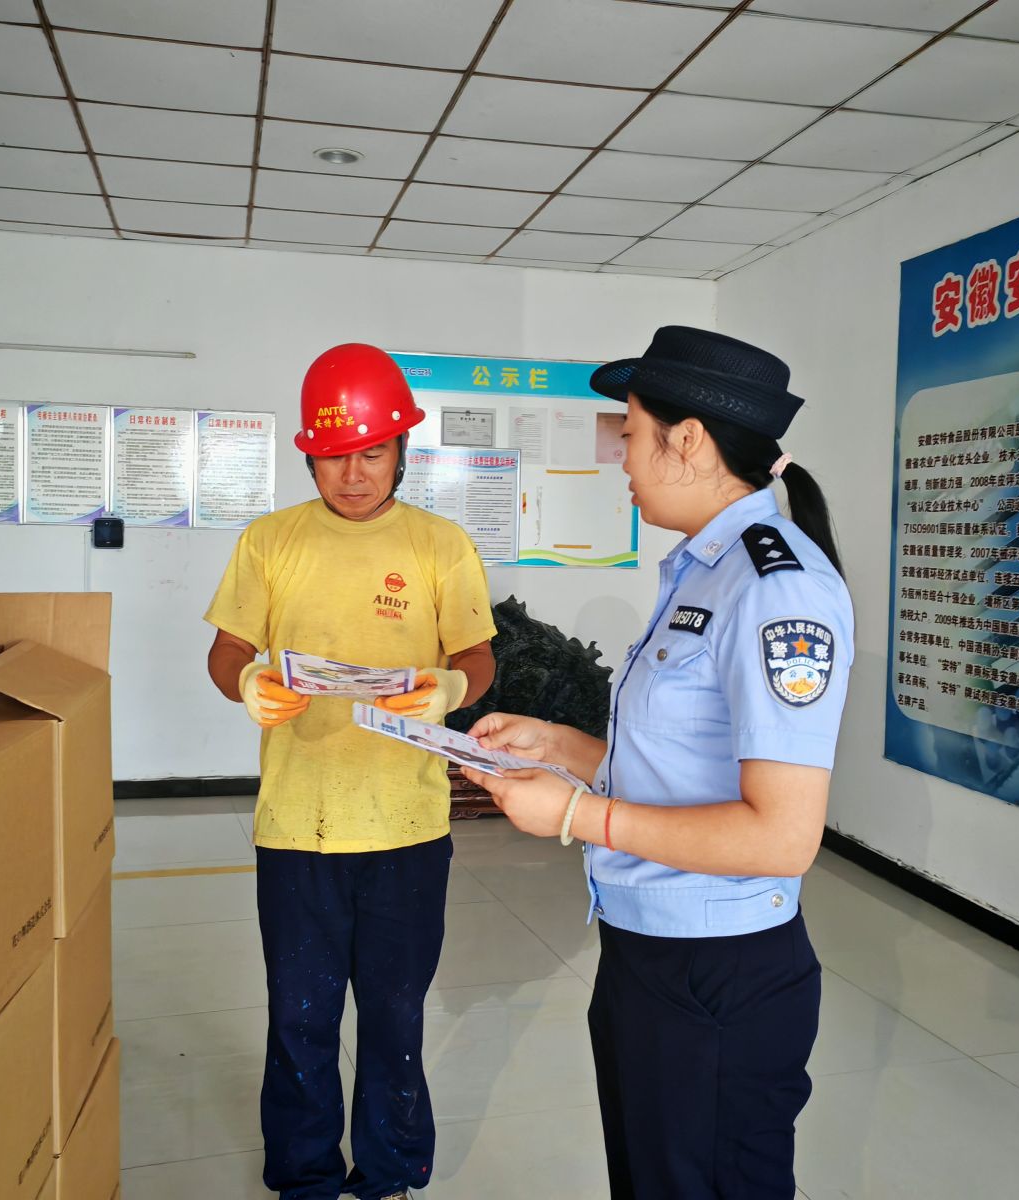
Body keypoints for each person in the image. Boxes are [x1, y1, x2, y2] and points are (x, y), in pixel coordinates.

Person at [461, 326, 853, 1200]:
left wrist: (574, 815)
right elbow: (681, 765)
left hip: (717, 972)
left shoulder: (776, 587)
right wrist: (561, 748)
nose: (623, 461)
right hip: (648, 950)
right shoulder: (700, 572)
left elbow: (782, 837)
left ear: (690, 440)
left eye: (632, 435)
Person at [204, 343, 497, 1200]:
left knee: (395, 1016)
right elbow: (226, 650)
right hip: (299, 821)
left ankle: (389, 1173)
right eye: (335, 455)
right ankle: (304, 1177)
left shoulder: (441, 544)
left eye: (372, 453)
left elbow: (476, 655)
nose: (354, 474)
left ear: (402, 449)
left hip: (408, 822)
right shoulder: (271, 540)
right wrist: (247, 683)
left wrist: (451, 686)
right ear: (310, 456)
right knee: (300, 1015)